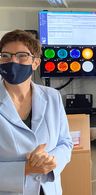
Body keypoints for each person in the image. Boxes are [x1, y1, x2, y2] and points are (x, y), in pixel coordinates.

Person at [0, 30, 73, 194]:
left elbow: (65, 143)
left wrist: (51, 161)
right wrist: (25, 169)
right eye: (5, 55)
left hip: (47, 188)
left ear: (35, 63)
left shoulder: (52, 97)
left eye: (21, 55)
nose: (12, 61)